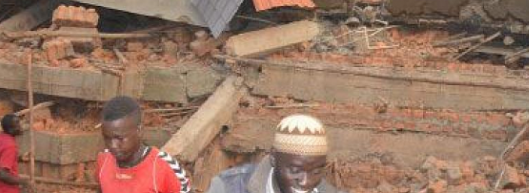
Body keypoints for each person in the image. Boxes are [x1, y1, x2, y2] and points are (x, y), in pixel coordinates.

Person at [206, 114, 346, 193]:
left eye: (316, 171)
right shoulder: (229, 187)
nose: (306, 182)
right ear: (273, 157)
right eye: (295, 170)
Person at [97, 96, 191, 193]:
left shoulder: (162, 165)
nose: (113, 145)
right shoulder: (104, 159)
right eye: (107, 138)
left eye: (120, 138)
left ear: (139, 131)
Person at [0, 114, 30, 193]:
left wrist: (19, 158)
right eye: (17, 124)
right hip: (4, 189)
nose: (21, 126)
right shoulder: (10, 145)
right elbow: (2, 174)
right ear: (10, 129)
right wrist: (24, 182)